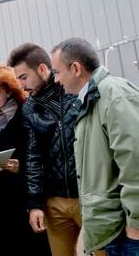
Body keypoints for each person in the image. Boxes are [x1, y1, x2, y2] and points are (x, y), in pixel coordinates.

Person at [51, 37, 139, 256]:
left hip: (129, 233)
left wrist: (136, 222)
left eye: (57, 72)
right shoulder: (91, 99)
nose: (55, 80)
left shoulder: (113, 95)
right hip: (114, 229)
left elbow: (135, 161)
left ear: (76, 68)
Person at [7, 43, 80, 256]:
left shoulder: (75, 94)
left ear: (41, 69)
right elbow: (32, 158)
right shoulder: (29, 108)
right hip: (54, 202)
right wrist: (35, 204)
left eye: (23, 77)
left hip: (88, 196)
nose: (21, 86)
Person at [0, 63, 51, 256]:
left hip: (24, 199)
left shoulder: (26, 116)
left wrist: (21, 167)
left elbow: (45, 156)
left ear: (9, 92)